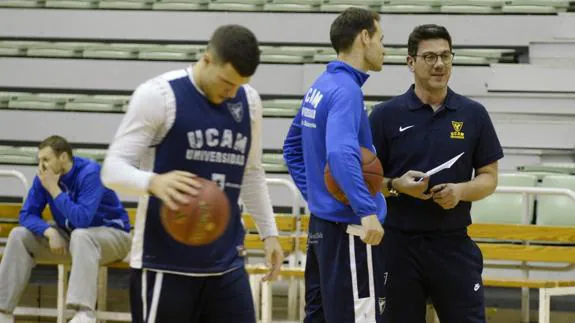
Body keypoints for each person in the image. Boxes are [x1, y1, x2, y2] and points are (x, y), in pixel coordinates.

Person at [100, 24, 284, 323]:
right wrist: (154, 182)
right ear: (206, 59)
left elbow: (250, 172)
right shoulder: (159, 95)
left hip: (226, 261)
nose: (231, 93)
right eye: (226, 82)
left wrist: (270, 233)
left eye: (239, 85)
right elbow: (112, 170)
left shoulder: (249, 101)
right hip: (165, 263)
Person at [369, 24, 503, 323]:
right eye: (429, 57)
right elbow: (367, 180)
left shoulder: (473, 114)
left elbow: (489, 177)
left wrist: (460, 192)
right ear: (410, 61)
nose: (439, 64)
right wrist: (397, 186)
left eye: (445, 56)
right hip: (397, 246)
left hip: (453, 244)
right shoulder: (384, 115)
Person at [283, 7, 387, 323]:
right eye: (382, 39)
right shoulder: (347, 91)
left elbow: (291, 149)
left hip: (322, 226)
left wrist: (319, 197)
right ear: (365, 37)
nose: (384, 48)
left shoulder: (321, 84)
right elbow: (341, 155)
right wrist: (366, 210)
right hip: (350, 230)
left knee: (319, 316)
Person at [0, 135, 132, 323]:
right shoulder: (44, 178)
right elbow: (26, 215)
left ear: (63, 157)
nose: (41, 166)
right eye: (39, 160)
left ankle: (83, 313)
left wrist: (54, 189)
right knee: (19, 235)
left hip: (114, 237)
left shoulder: (90, 173)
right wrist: (49, 231)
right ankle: (3, 312)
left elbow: (82, 220)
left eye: (46, 160)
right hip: (74, 240)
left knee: (81, 235)